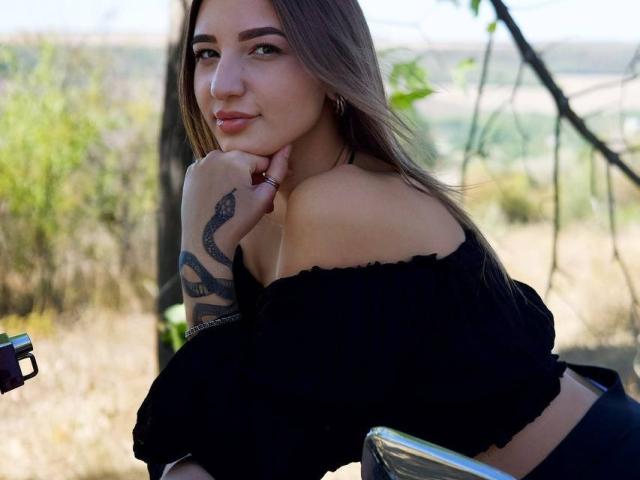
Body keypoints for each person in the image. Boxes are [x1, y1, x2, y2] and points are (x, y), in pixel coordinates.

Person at [132, 0, 640, 478]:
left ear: (329, 65)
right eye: (207, 54)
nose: (221, 85)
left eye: (264, 48)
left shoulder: (337, 205)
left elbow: (243, 457)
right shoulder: (257, 208)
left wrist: (201, 245)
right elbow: (206, 436)